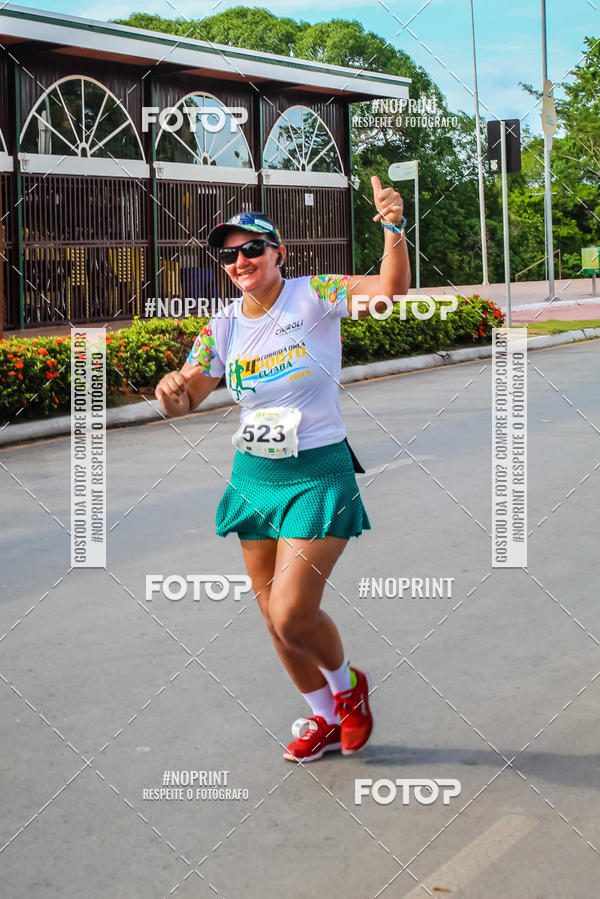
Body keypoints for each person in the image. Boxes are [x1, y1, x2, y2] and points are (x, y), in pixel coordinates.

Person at [155, 175, 410, 762]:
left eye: (252, 249)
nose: (241, 260)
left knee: (294, 611)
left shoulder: (313, 294)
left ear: (278, 252)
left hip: (319, 471)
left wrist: (394, 228)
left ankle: (348, 691)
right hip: (255, 476)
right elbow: (187, 397)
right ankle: (323, 718)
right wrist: (171, 392)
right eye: (230, 254)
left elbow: (389, 291)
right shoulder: (221, 326)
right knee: (273, 619)